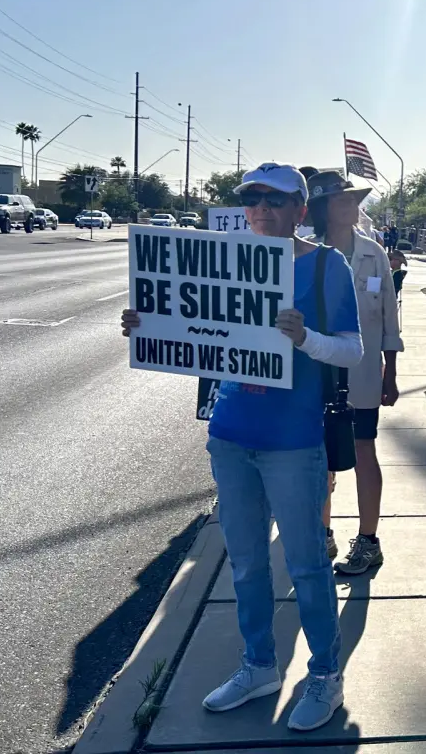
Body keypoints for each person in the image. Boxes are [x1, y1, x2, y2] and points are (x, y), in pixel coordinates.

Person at [122, 163, 362, 731]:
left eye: (274, 200)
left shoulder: (327, 266)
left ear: (300, 209)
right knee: (247, 563)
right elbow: (192, 329)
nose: (261, 209)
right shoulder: (222, 260)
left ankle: (325, 674)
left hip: (293, 441)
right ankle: (258, 665)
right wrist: (146, 323)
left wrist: (304, 338)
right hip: (230, 435)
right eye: (252, 199)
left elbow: (352, 350)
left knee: (306, 564)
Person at [306, 170, 404, 574]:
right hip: (314, 372)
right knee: (319, 456)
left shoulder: (373, 252)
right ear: (322, 208)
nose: (350, 205)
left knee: (364, 449)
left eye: (352, 199)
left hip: (362, 372)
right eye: (341, 200)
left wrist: (390, 371)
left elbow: (389, 315)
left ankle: (368, 540)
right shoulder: (305, 251)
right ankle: (322, 533)